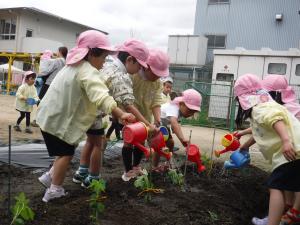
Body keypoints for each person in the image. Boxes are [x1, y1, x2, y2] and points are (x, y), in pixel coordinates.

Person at [36, 30, 135, 202]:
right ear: (91, 54)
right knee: (66, 154)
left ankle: (48, 177)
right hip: (58, 121)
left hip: (49, 117)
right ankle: (54, 190)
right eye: (103, 58)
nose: (104, 63)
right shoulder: (87, 71)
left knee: (65, 150)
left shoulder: (72, 66)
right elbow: (101, 96)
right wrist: (120, 113)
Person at [72, 39, 152, 185]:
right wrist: (147, 124)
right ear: (130, 60)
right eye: (139, 66)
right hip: (95, 113)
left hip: (86, 110)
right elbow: (128, 105)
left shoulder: (107, 65)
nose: (140, 70)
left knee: (90, 141)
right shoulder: (121, 75)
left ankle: (81, 172)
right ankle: (93, 178)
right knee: (99, 144)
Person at [234, 73, 300, 225]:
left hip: (290, 152)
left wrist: (285, 140)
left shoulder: (260, 109)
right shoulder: (267, 105)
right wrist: (243, 147)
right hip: (296, 151)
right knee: (285, 185)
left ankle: (272, 222)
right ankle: (281, 217)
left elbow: (276, 119)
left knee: (274, 186)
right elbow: (262, 129)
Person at [126, 49, 170, 178]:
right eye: (156, 73)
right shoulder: (133, 76)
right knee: (129, 141)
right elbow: (128, 103)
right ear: (147, 67)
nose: (158, 77)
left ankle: (136, 166)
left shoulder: (157, 83)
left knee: (141, 138)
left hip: (145, 117)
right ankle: (127, 170)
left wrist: (157, 119)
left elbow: (156, 101)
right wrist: (142, 121)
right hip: (129, 115)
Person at [152, 89, 202, 170]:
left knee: (170, 143)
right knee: (159, 147)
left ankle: (168, 162)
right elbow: (174, 122)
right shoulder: (174, 107)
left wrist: (174, 128)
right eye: (189, 111)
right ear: (181, 104)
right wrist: (182, 139)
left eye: (193, 112)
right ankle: (154, 167)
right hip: (156, 123)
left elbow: (174, 123)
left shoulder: (179, 109)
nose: (190, 114)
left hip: (163, 125)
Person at [31, 47, 68, 127]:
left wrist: (38, 74)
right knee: (51, 102)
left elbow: (48, 70)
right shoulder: (66, 62)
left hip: (49, 83)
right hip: (58, 84)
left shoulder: (58, 60)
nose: (56, 53)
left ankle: (38, 120)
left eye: (57, 51)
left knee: (40, 100)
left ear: (60, 52)